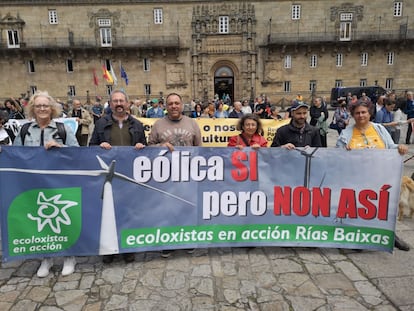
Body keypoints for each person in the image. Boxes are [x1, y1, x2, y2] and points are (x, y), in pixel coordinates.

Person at [13, 90, 79, 277]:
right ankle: (46, 258)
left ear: (52, 109)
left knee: (64, 218)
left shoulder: (62, 129)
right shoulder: (25, 130)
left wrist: (61, 148)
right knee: (41, 220)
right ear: (33, 109)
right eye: (38, 106)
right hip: (34, 183)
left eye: (45, 105)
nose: (42, 109)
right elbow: (17, 154)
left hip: (60, 182)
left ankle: (69, 256)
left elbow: (77, 154)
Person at [336, 99, 410, 251]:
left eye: (364, 112)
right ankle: (358, 239)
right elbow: (337, 156)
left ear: (369, 113)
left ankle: (390, 237)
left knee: (384, 209)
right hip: (357, 179)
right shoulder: (346, 134)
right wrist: (343, 151)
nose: (361, 115)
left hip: (380, 176)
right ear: (353, 115)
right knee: (359, 210)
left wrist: (400, 147)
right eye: (357, 113)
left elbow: (391, 147)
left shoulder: (379, 129)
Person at [89, 89, 147, 263]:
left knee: (128, 213)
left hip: (129, 176)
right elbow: (91, 146)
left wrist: (140, 146)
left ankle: (127, 248)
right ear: (110, 104)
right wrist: (100, 146)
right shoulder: (100, 124)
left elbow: (145, 147)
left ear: (128, 103)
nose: (119, 104)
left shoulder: (137, 124)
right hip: (109, 176)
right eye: (115, 101)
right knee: (107, 212)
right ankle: (109, 249)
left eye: (122, 100)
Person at [148, 92, 201, 257]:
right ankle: (168, 241)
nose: (174, 106)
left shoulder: (192, 123)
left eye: (176, 103)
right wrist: (161, 145)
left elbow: (199, 147)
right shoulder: (158, 125)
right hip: (166, 175)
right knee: (167, 209)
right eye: (170, 103)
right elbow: (149, 148)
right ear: (166, 106)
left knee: (187, 206)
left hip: (187, 174)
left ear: (182, 104)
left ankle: (187, 239)